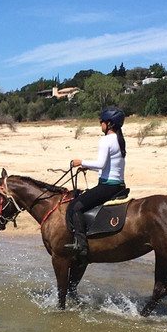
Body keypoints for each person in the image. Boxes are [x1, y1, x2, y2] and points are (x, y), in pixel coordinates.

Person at [64, 107, 127, 258]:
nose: (101, 125)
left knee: (75, 206)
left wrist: (80, 161)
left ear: (109, 123)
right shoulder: (120, 140)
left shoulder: (106, 140)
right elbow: (108, 168)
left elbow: (100, 164)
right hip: (118, 185)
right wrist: (87, 166)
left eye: (102, 122)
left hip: (108, 186)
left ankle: (81, 244)